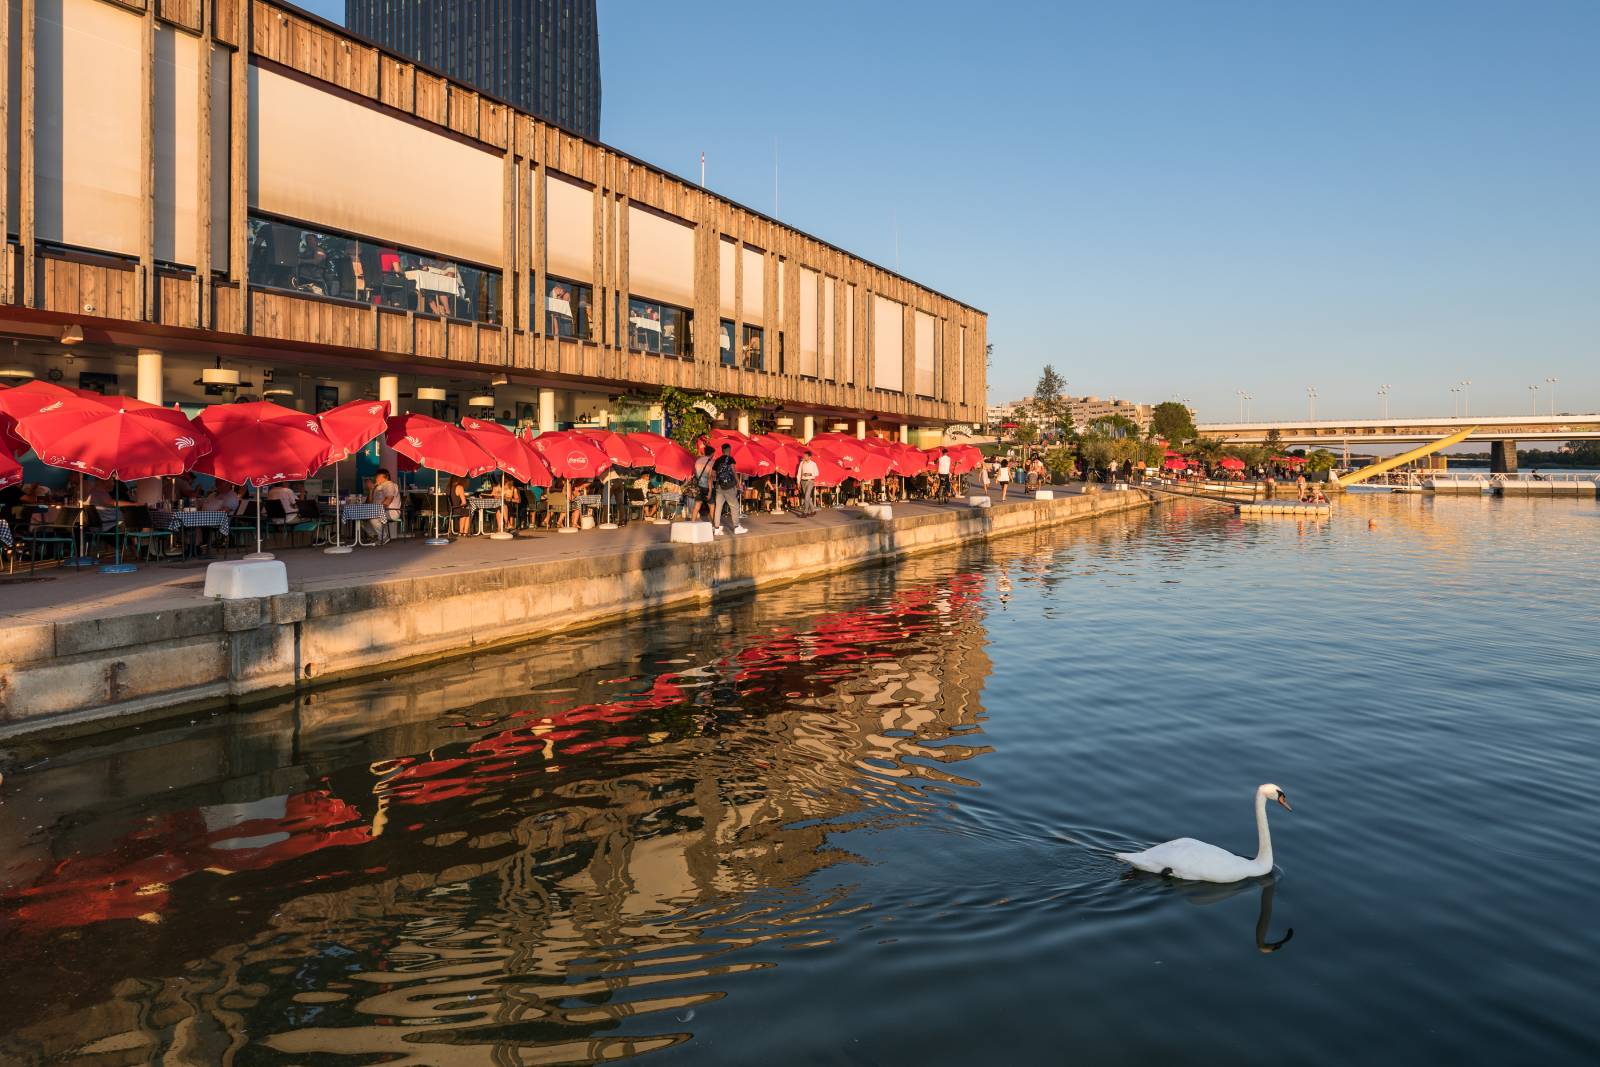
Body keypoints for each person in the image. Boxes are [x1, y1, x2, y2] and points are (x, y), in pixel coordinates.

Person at [710, 443, 746, 535]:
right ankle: (737, 527)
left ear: (722, 450)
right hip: (729, 487)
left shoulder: (717, 460)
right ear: (729, 450)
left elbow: (713, 474)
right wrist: (738, 483)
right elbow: (734, 472)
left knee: (718, 507)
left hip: (719, 486)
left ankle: (717, 528)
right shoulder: (730, 459)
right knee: (735, 506)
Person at [369, 468, 400, 544]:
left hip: (391, 511)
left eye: (377, 476)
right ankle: (376, 535)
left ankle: (384, 537)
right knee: (362, 518)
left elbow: (389, 498)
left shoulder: (389, 484)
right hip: (381, 510)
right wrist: (371, 490)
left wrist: (379, 510)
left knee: (373, 518)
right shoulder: (378, 487)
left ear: (382, 476)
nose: (375, 478)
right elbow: (370, 501)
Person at [692, 445, 715, 521]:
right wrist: (710, 491)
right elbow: (710, 477)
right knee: (712, 507)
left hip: (698, 486)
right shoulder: (711, 462)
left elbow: (695, 473)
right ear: (712, 453)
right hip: (707, 487)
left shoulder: (698, 461)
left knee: (697, 506)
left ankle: (692, 524)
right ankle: (715, 526)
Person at [797, 450, 820, 515]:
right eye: (804, 456)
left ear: (810, 457)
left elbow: (817, 473)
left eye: (806, 456)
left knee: (807, 496)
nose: (804, 457)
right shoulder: (802, 463)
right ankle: (813, 510)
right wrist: (798, 482)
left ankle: (805, 512)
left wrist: (810, 474)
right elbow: (799, 473)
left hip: (810, 481)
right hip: (803, 481)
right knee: (807, 497)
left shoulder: (813, 464)